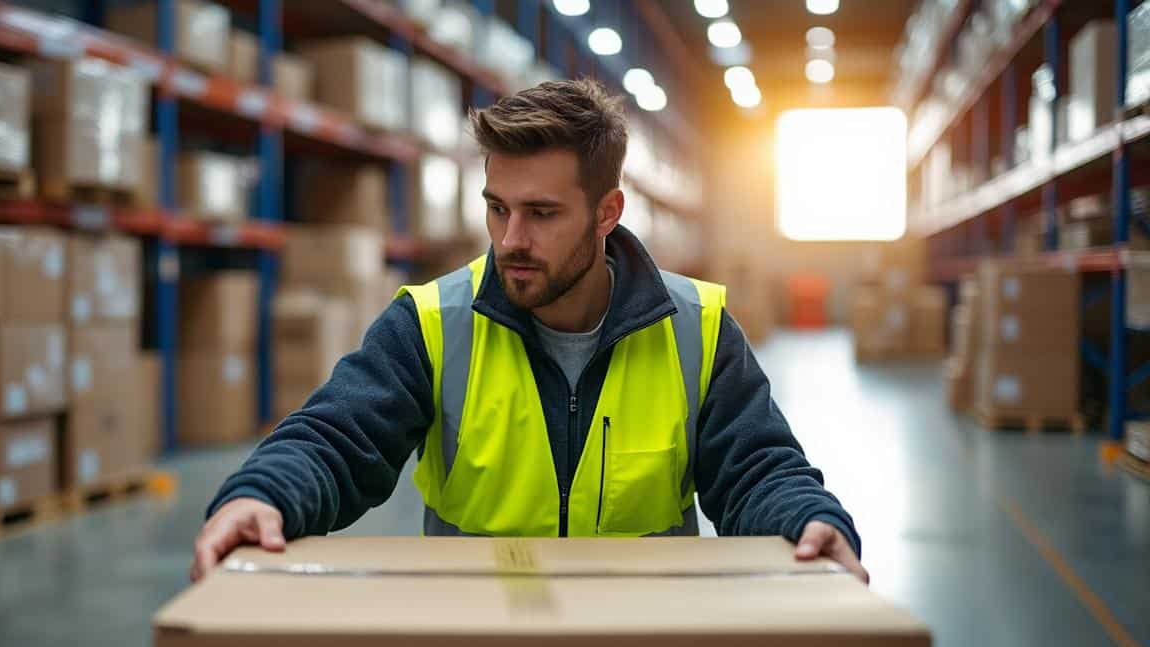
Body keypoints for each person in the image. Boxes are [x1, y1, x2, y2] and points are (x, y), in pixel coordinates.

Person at [191, 79, 867, 583]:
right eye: (497, 208)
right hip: (478, 645)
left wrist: (811, 521)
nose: (510, 240)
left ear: (607, 213)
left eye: (542, 213)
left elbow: (757, 469)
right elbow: (335, 439)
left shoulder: (698, 330)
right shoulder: (432, 324)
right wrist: (262, 494)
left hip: (643, 646)